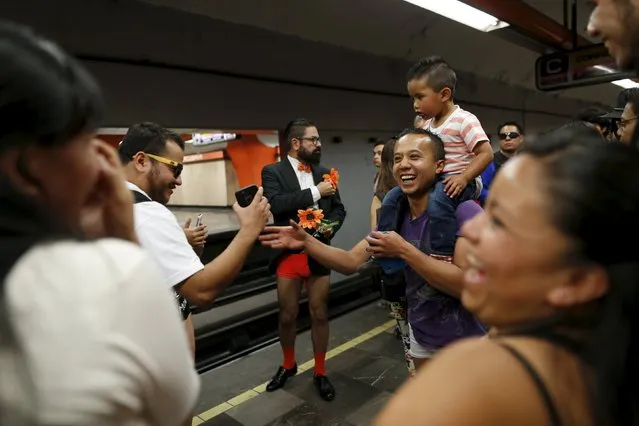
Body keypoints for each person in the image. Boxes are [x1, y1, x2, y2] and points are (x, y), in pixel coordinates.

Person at [0, 21, 198, 425]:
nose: (96, 158)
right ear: (25, 168)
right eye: (82, 139)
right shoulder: (115, 277)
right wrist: (123, 247)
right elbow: (177, 409)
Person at [374, 128, 639, 426]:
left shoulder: (455, 395)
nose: (472, 229)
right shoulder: (602, 377)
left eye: (499, 220)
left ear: (576, 280)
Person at [260, 128, 485, 374]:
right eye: (398, 159)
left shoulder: (465, 213)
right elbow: (350, 262)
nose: (404, 165)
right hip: (421, 335)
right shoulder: (395, 217)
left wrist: (404, 250)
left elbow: (466, 286)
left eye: (415, 157)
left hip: (467, 339)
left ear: (439, 166)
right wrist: (306, 242)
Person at [118, 122, 271, 362]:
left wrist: (185, 258)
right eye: (175, 170)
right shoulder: (148, 214)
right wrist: (250, 230)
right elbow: (202, 292)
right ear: (141, 161)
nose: (179, 181)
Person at [370, 56, 493, 274]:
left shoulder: (464, 120)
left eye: (420, 97)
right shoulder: (427, 125)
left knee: (438, 200)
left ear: (444, 94)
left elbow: (486, 153)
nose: (415, 104)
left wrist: (464, 177)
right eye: (412, 98)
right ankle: (385, 242)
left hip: (461, 182)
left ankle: (442, 253)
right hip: (436, 181)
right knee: (391, 197)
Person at [260, 118, 346, 401]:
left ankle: (320, 371)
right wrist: (316, 192)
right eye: (313, 139)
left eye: (319, 139)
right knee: (287, 315)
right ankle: (288, 364)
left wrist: (329, 227)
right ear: (296, 143)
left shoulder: (324, 172)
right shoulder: (272, 171)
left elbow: (339, 210)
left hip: (319, 251)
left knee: (319, 312)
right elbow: (277, 204)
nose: (319, 144)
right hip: (287, 254)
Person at [479, 122, 524, 205]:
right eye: (503, 136)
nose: (507, 138)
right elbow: (481, 190)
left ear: (521, 138)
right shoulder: (490, 161)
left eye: (512, 135)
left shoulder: (526, 161)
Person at [370, 137, 398, 231]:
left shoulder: (396, 176)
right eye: (374, 154)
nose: (375, 157)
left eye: (380, 153)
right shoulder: (377, 176)